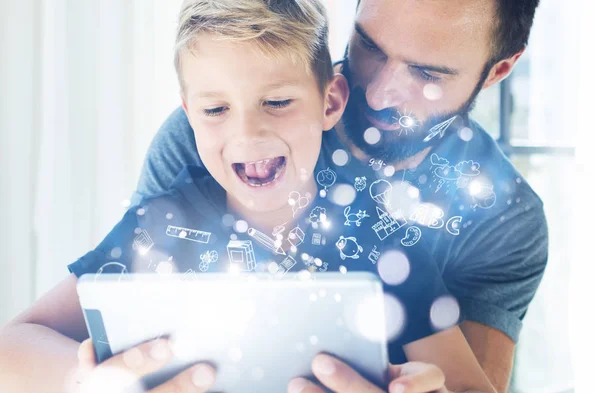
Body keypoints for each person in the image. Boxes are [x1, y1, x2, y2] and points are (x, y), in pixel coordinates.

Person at [0, 1, 496, 393]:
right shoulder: (156, 229)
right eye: (215, 109)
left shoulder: (384, 245)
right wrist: (82, 382)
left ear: (331, 102)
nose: (246, 131)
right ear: (188, 115)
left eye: (277, 102)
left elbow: (472, 385)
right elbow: (12, 347)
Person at [131, 1, 549, 393]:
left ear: (499, 70)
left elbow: (466, 386)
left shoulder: (504, 223)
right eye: (370, 46)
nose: (378, 95)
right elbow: (121, 320)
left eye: (428, 74)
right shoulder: (220, 138)